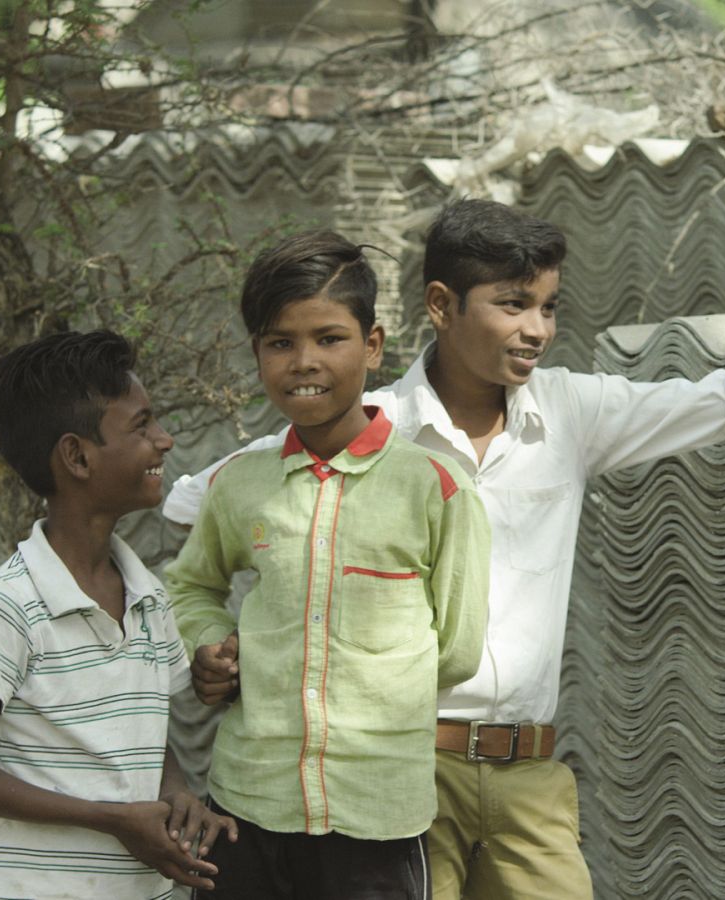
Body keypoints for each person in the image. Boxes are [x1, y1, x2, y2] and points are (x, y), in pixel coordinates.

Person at [166, 200, 725, 900]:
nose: (536, 328)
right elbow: (201, 506)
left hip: (528, 769)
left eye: (546, 306)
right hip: (398, 771)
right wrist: (221, 645)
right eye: (510, 303)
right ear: (439, 306)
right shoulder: (367, 419)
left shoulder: (571, 413)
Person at [163, 230, 492, 900]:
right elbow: (191, 584)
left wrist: (371, 674)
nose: (303, 361)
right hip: (247, 805)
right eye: (280, 343)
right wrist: (208, 648)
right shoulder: (239, 484)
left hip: (375, 819)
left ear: (372, 346)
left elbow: (455, 649)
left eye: (329, 338)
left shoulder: (435, 485)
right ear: (257, 354)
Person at [0, 330, 237, 900]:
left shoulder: (146, 596)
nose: (164, 441)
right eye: (142, 426)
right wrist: (113, 819)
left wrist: (177, 794)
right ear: (76, 456)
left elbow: (140, 739)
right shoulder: (6, 607)